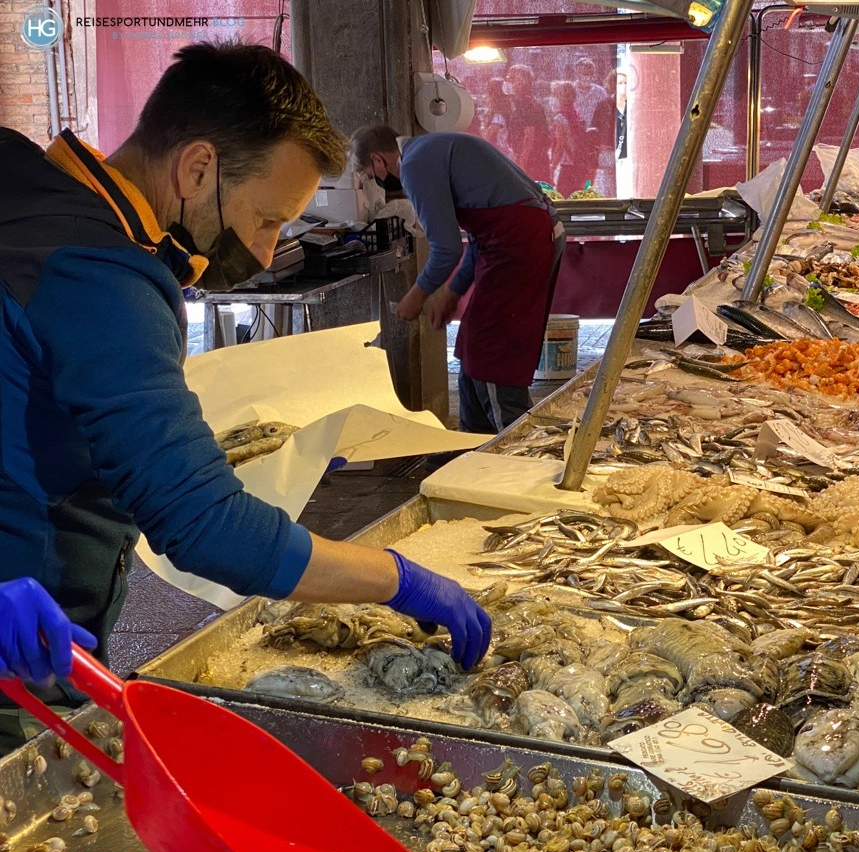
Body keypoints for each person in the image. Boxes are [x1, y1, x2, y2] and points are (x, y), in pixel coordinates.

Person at [0, 43, 491, 750]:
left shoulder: (21, 181)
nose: (265, 253)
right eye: (266, 219)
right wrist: (396, 579)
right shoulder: (102, 277)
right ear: (197, 168)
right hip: (22, 658)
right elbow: (205, 527)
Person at [350, 127, 565, 435]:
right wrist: (452, 292)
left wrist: (417, 295)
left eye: (370, 176)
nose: (376, 182)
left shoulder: (414, 165)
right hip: (521, 236)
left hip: (520, 241)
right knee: (472, 342)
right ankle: (473, 440)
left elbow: (446, 249)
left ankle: (515, 441)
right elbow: (478, 237)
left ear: (378, 159)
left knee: (492, 349)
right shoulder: (430, 149)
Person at [505, 65, 551, 184]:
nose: (510, 84)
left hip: (532, 162)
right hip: (533, 160)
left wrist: (522, 164)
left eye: (513, 80)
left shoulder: (526, 104)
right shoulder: (521, 103)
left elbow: (529, 136)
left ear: (524, 81)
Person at [550, 81, 595, 196]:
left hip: (568, 164)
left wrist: (553, 166)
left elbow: (561, 144)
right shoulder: (576, 114)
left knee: (563, 198)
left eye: (556, 95)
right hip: (580, 163)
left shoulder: (560, 117)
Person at [481, 77, 514, 159]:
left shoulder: (498, 117)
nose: (485, 96)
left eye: (488, 93)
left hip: (500, 156)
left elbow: (486, 136)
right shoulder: (499, 113)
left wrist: (479, 127)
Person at [572, 57, 608, 128]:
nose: (588, 78)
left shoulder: (600, 92)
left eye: (591, 74)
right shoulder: (571, 90)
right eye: (585, 74)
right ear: (577, 74)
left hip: (595, 131)